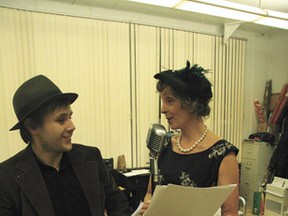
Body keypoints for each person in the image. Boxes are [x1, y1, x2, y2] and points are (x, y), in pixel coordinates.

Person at [0, 75, 132, 216]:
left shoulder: (91, 157)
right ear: (32, 126)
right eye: (61, 120)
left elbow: (118, 204)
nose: (72, 126)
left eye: (70, 117)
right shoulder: (6, 178)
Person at [140, 61, 239, 215]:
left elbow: (230, 212)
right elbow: (150, 193)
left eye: (170, 101)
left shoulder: (223, 155)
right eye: (162, 101)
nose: (163, 109)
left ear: (191, 103)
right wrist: (148, 206)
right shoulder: (164, 144)